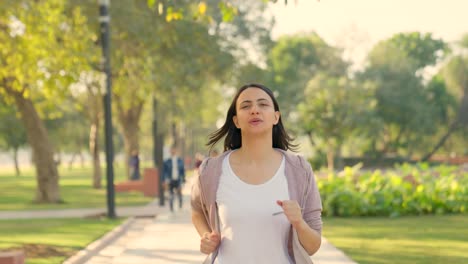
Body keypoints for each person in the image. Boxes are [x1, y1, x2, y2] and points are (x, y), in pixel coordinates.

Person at [191, 83, 322, 264]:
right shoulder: (212, 170)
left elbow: (313, 246)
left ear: (276, 117)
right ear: (236, 121)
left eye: (263, 104)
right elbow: (196, 209)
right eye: (246, 106)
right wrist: (206, 236)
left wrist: (299, 223)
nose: (254, 110)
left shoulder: (299, 171)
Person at [163, 146, 186, 211]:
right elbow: (164, 172)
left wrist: (183, 180)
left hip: (178, 180)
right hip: (170, 180)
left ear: (176, 151)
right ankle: (171, 208)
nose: (173, 151)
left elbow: (182, 171)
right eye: (171, 150)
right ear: (170, 151)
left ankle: (180, 205)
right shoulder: (166, 161)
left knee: (179, 193)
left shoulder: (180, 160)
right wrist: (165, 180)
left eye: (174, 150)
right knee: (171, 195)